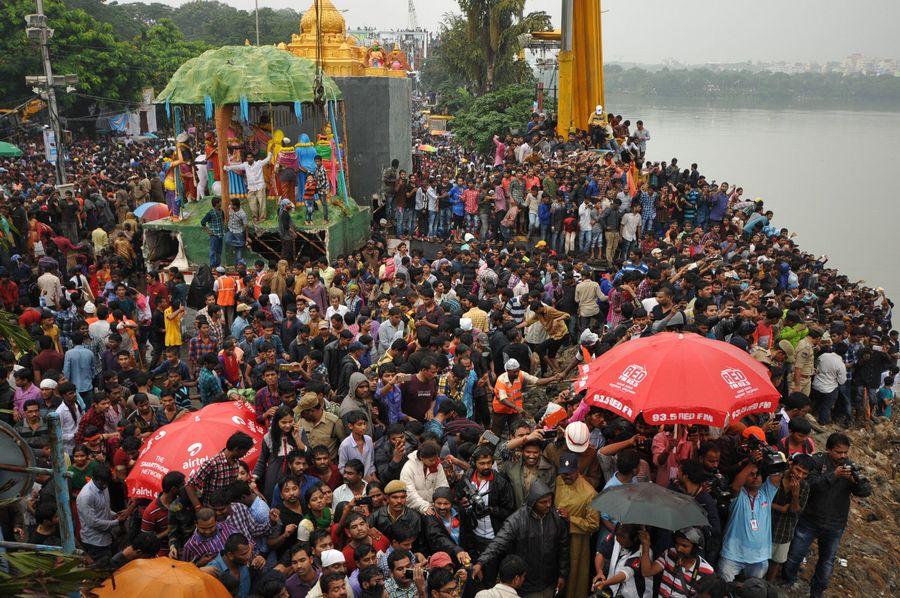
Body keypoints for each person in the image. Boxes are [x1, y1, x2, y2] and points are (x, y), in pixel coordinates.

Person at [781, 433, 872, 597]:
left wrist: (855, 482)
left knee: (826, 564)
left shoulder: (850, 467)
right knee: (794, 555)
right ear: (829, 449)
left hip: (835, 524)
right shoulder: (817, 462)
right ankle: (788, 582)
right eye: (839, 452)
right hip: (810, 519)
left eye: (845, 452)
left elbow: (866, 492)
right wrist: (833, 475)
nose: (843, 456)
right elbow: (808, 484)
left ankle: (816, 593)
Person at [473, 480, 569, 598]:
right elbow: (498, 543)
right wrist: (480, 562)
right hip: (526, 584)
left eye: (550, 501)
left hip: (549, 581)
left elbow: (563, 548)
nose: (548, 505)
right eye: (543, 502)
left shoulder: (556, 518)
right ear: (533, 503)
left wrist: (562, 575)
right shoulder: (517, 520)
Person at [639, 526, 714, 598]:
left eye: (684, 546)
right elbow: (647, 572)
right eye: (677, 544)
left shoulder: (707, 571)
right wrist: (646, 544)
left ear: (695, 548)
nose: (679, 549)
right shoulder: (669, 553)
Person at [75, 464, 128, 562]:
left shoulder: (104, 486)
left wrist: (114, 514)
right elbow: (93, 522)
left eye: (107, 483)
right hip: (95, 542)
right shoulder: (86, 496)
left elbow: (103, 508)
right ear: (95, 478)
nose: (105, 485)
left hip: (108, 537)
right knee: (101, 570)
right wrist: (116, 522)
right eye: (102, 483)